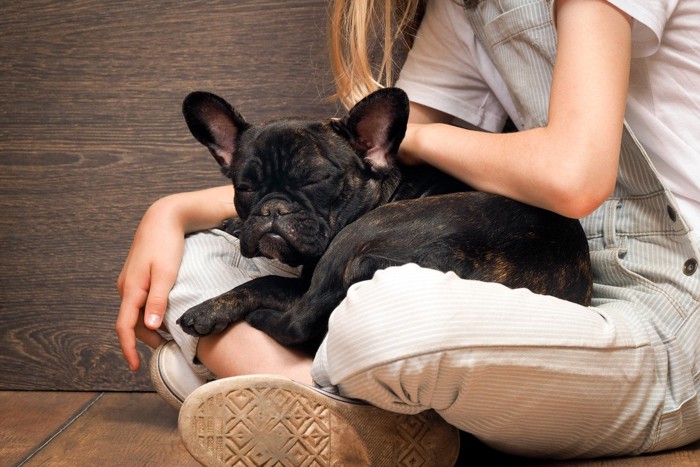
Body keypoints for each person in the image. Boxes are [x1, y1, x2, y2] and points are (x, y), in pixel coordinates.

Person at [116, 0, 700, 464]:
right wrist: (174, 211)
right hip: (546, 307)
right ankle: (322, 397)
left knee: (388, 313)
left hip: (672, 317)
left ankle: (258, 374)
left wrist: (412, 139)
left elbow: (575, 176)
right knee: (201, 255)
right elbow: (343, 177)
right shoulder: (464, 10)